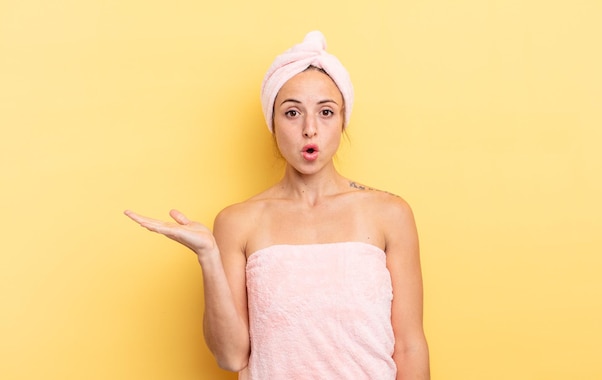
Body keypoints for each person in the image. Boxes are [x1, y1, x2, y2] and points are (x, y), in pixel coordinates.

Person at [124, 31, 429, 379]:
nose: (310, 129)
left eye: (326, 112)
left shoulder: (390, 214)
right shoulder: (237, 222)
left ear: (343, 121)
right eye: (292, 113)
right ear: (272, 123)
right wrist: (208, 257)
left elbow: (409, 345)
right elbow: (230, 356)